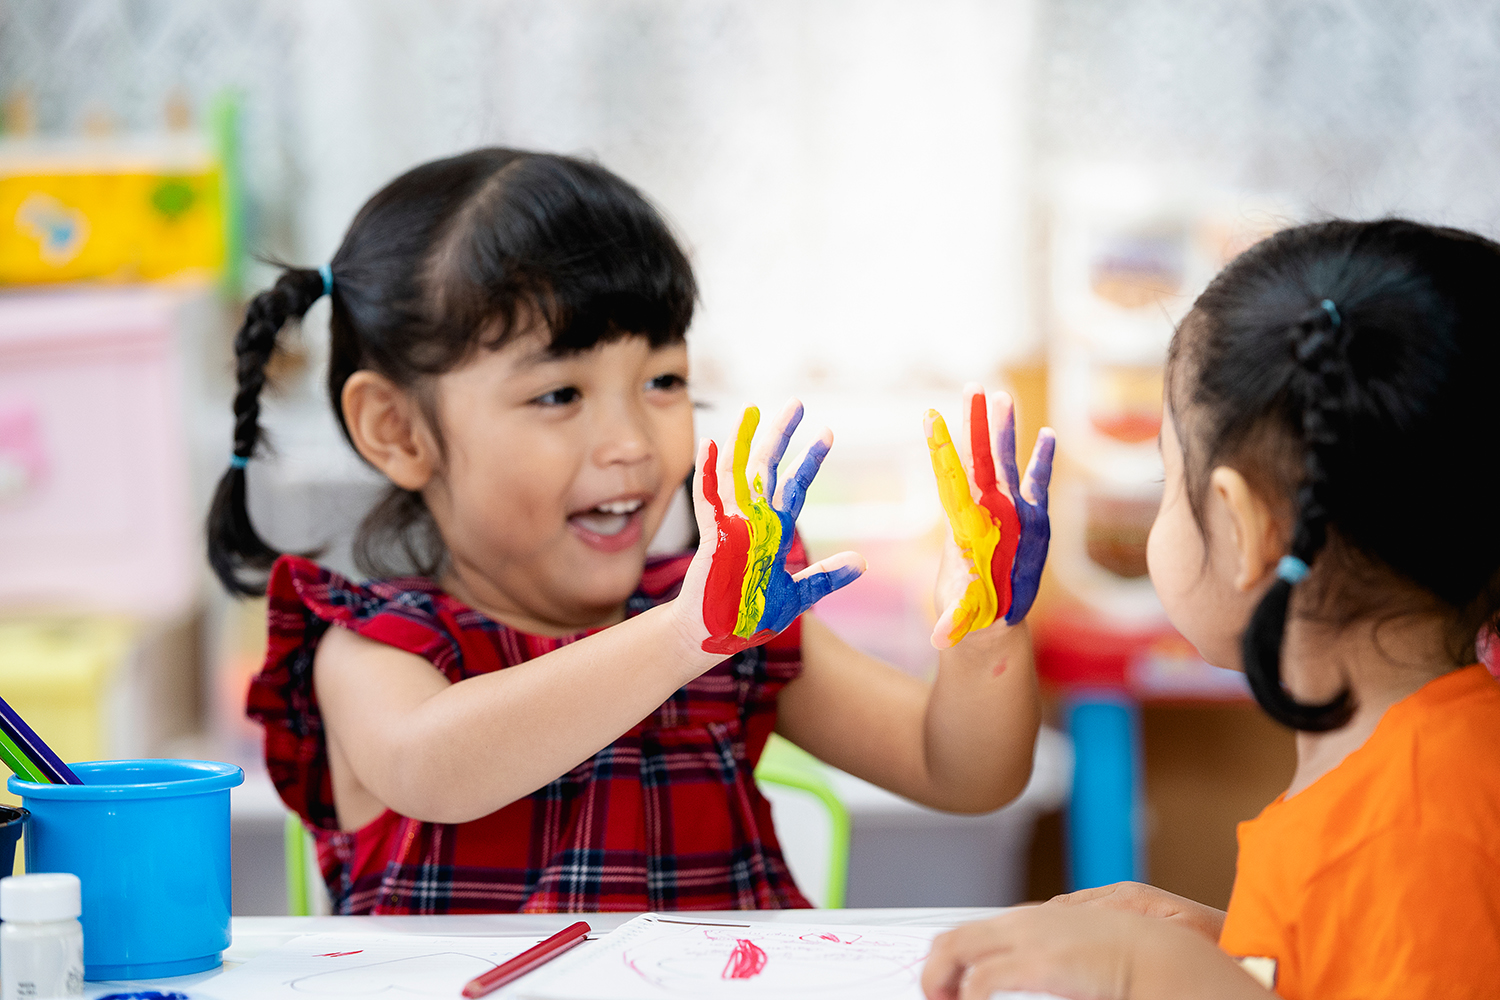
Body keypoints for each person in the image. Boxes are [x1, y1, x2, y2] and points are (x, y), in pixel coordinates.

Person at [206, 148, 1053, 914]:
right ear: (398, 430)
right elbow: (435, 771)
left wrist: (984, 638)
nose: (633, 443)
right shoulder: (378, 649)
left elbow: (966, 774)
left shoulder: (738, 625)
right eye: (560, 395)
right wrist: (688, 635)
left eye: (663, 378)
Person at [922, 218, 1500, 1000]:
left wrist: (1149, 974)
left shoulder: (1408, 828)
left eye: (1168, 479)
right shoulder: (1426, 768)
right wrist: (1234, 952)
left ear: (1243, 526)